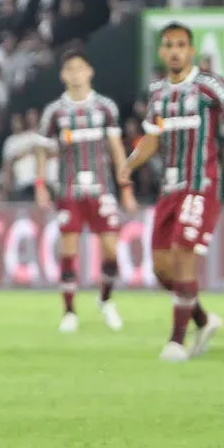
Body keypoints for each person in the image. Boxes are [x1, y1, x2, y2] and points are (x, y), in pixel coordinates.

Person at [121, 22, 224, 362]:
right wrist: (129, 165)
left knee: (182, 256)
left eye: (181, 45)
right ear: (162, 52)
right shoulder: (159, 94)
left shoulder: (210, 87)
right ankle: (204, 321)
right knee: (163, 270)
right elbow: (151, 139)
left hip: (201, 186)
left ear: (190, 51)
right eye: (169, 45)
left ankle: (177, 341)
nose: (175, 51)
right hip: (170, 190)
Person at [35, 50, 138, 333]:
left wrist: (126, 187)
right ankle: (69, 311)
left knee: (111, 250)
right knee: (69, 250)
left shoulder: (105, 107)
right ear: (63, 75)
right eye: (71, 69)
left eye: (81, 68)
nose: (77, 74)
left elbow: (117, 149)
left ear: (90, 71)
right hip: (69, 191)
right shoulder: (55, 111)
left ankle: (105, 299)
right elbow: (42, 150)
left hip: (102, 189)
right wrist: (41, 184)